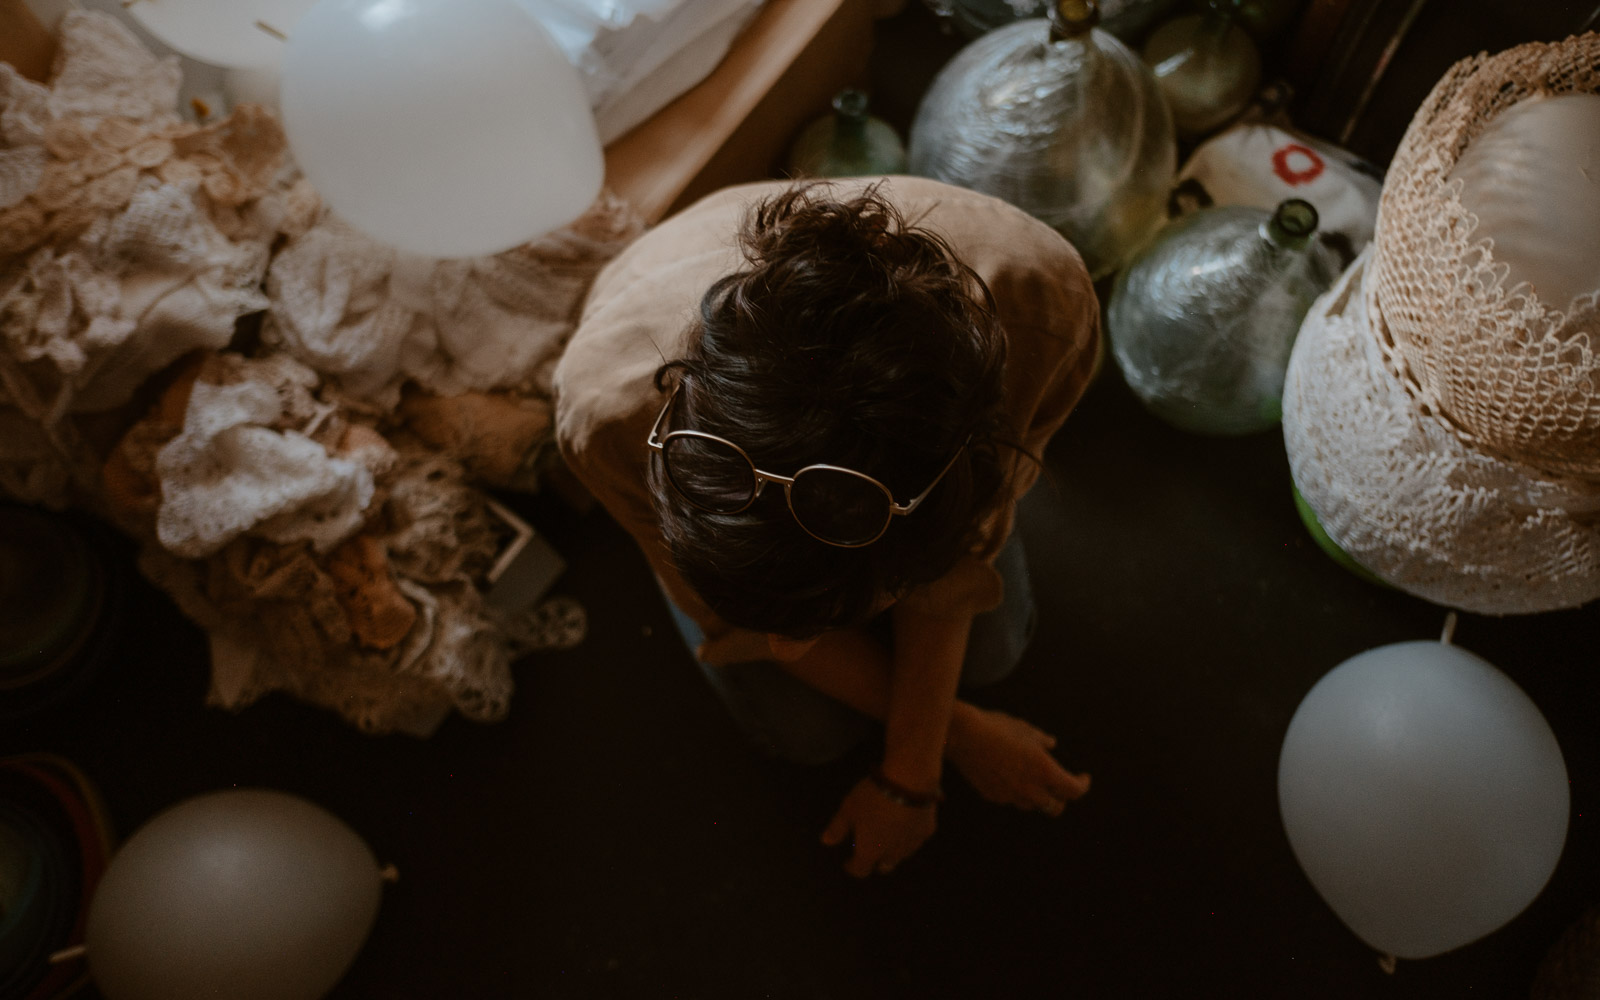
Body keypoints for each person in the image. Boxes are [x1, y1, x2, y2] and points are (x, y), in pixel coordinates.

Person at [554, 175, 1101, 878]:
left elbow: (954, 560)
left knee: (993, 653)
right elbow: (757, 630)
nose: (786, 645)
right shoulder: (603, 416)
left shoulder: (1044, 309)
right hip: (644, 308)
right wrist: (939, 747)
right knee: (808, 732)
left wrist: (912, 763)